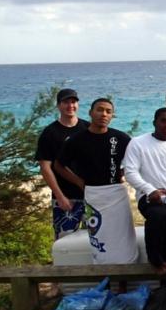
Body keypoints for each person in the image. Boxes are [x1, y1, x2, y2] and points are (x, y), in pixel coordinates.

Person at [55, 98, 137, 264]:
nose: (104, 114)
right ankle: (104, 278)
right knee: (98, 235)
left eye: (108, 111)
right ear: (91, 113)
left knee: (122, 235)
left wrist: (124, 172)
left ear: (112, 116)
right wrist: (79, 182)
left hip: (117, 193)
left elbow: (136, 161)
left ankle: (123, 282)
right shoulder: (77, 140)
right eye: (100, 110)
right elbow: (58, 165)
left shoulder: (120, 138)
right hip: (92, 193)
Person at [124, 108, 166, 275]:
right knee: (158, 215)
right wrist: (151, 190)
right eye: (163, 120)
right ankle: (155, 261)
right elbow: (130, 172)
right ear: (155, 122)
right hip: (148, 197)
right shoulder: (138, 143)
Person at [35, 88, 89, 238]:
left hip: (90, 195)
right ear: (58, 105)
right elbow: (46, 168)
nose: (70, 106)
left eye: (73, 102)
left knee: (94, 240)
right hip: (65, 197)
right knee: (65, 243)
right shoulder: (50, 133)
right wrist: (59, 196)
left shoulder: (88, 128)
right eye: (66, 102)